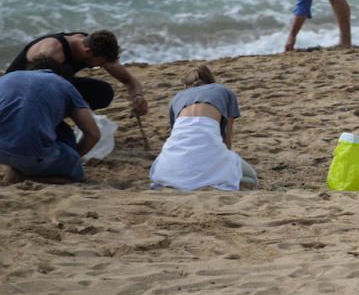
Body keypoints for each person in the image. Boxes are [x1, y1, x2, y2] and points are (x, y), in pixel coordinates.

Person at [149, 65, 257, 191]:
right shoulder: (224, 91)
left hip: (168, 165)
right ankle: (208, 181)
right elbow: (227, 137)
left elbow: (177, 135)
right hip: (209, 154)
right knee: (251, 178)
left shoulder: (176, 98)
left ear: (185, 86)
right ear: (211, 81)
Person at [0, 59, 100, 184]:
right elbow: (93, 134)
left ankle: (15, 166)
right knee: (77, 174)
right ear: (59, 74)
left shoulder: (8, 77)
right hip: (32, 155)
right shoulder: (63, 84)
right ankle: (26, 178)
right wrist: (75, 157)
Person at [4, 30, 148, 115]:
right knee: (64, 77)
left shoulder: (93, 47)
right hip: (18, 92)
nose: (103, 66)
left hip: (53, 85)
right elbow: (35, 90)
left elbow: (129, 80)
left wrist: (138, 96)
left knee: (103, 92)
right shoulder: (52, 51)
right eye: (101, 62)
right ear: (87, 52)